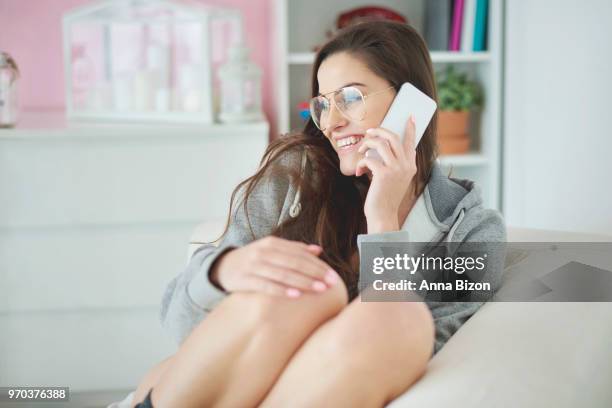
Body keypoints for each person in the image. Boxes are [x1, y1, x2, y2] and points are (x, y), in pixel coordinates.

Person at [130, 20, 506, 408]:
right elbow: (178, 325)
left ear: (413, 105)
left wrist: (382, 217)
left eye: (351, 98)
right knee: (308, 289)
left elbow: (411, 351)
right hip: (198, 391)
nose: (330, 121)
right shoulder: (295, 175)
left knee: (396, 316)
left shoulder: (472, 231)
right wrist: (222, 268)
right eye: (323, 103)